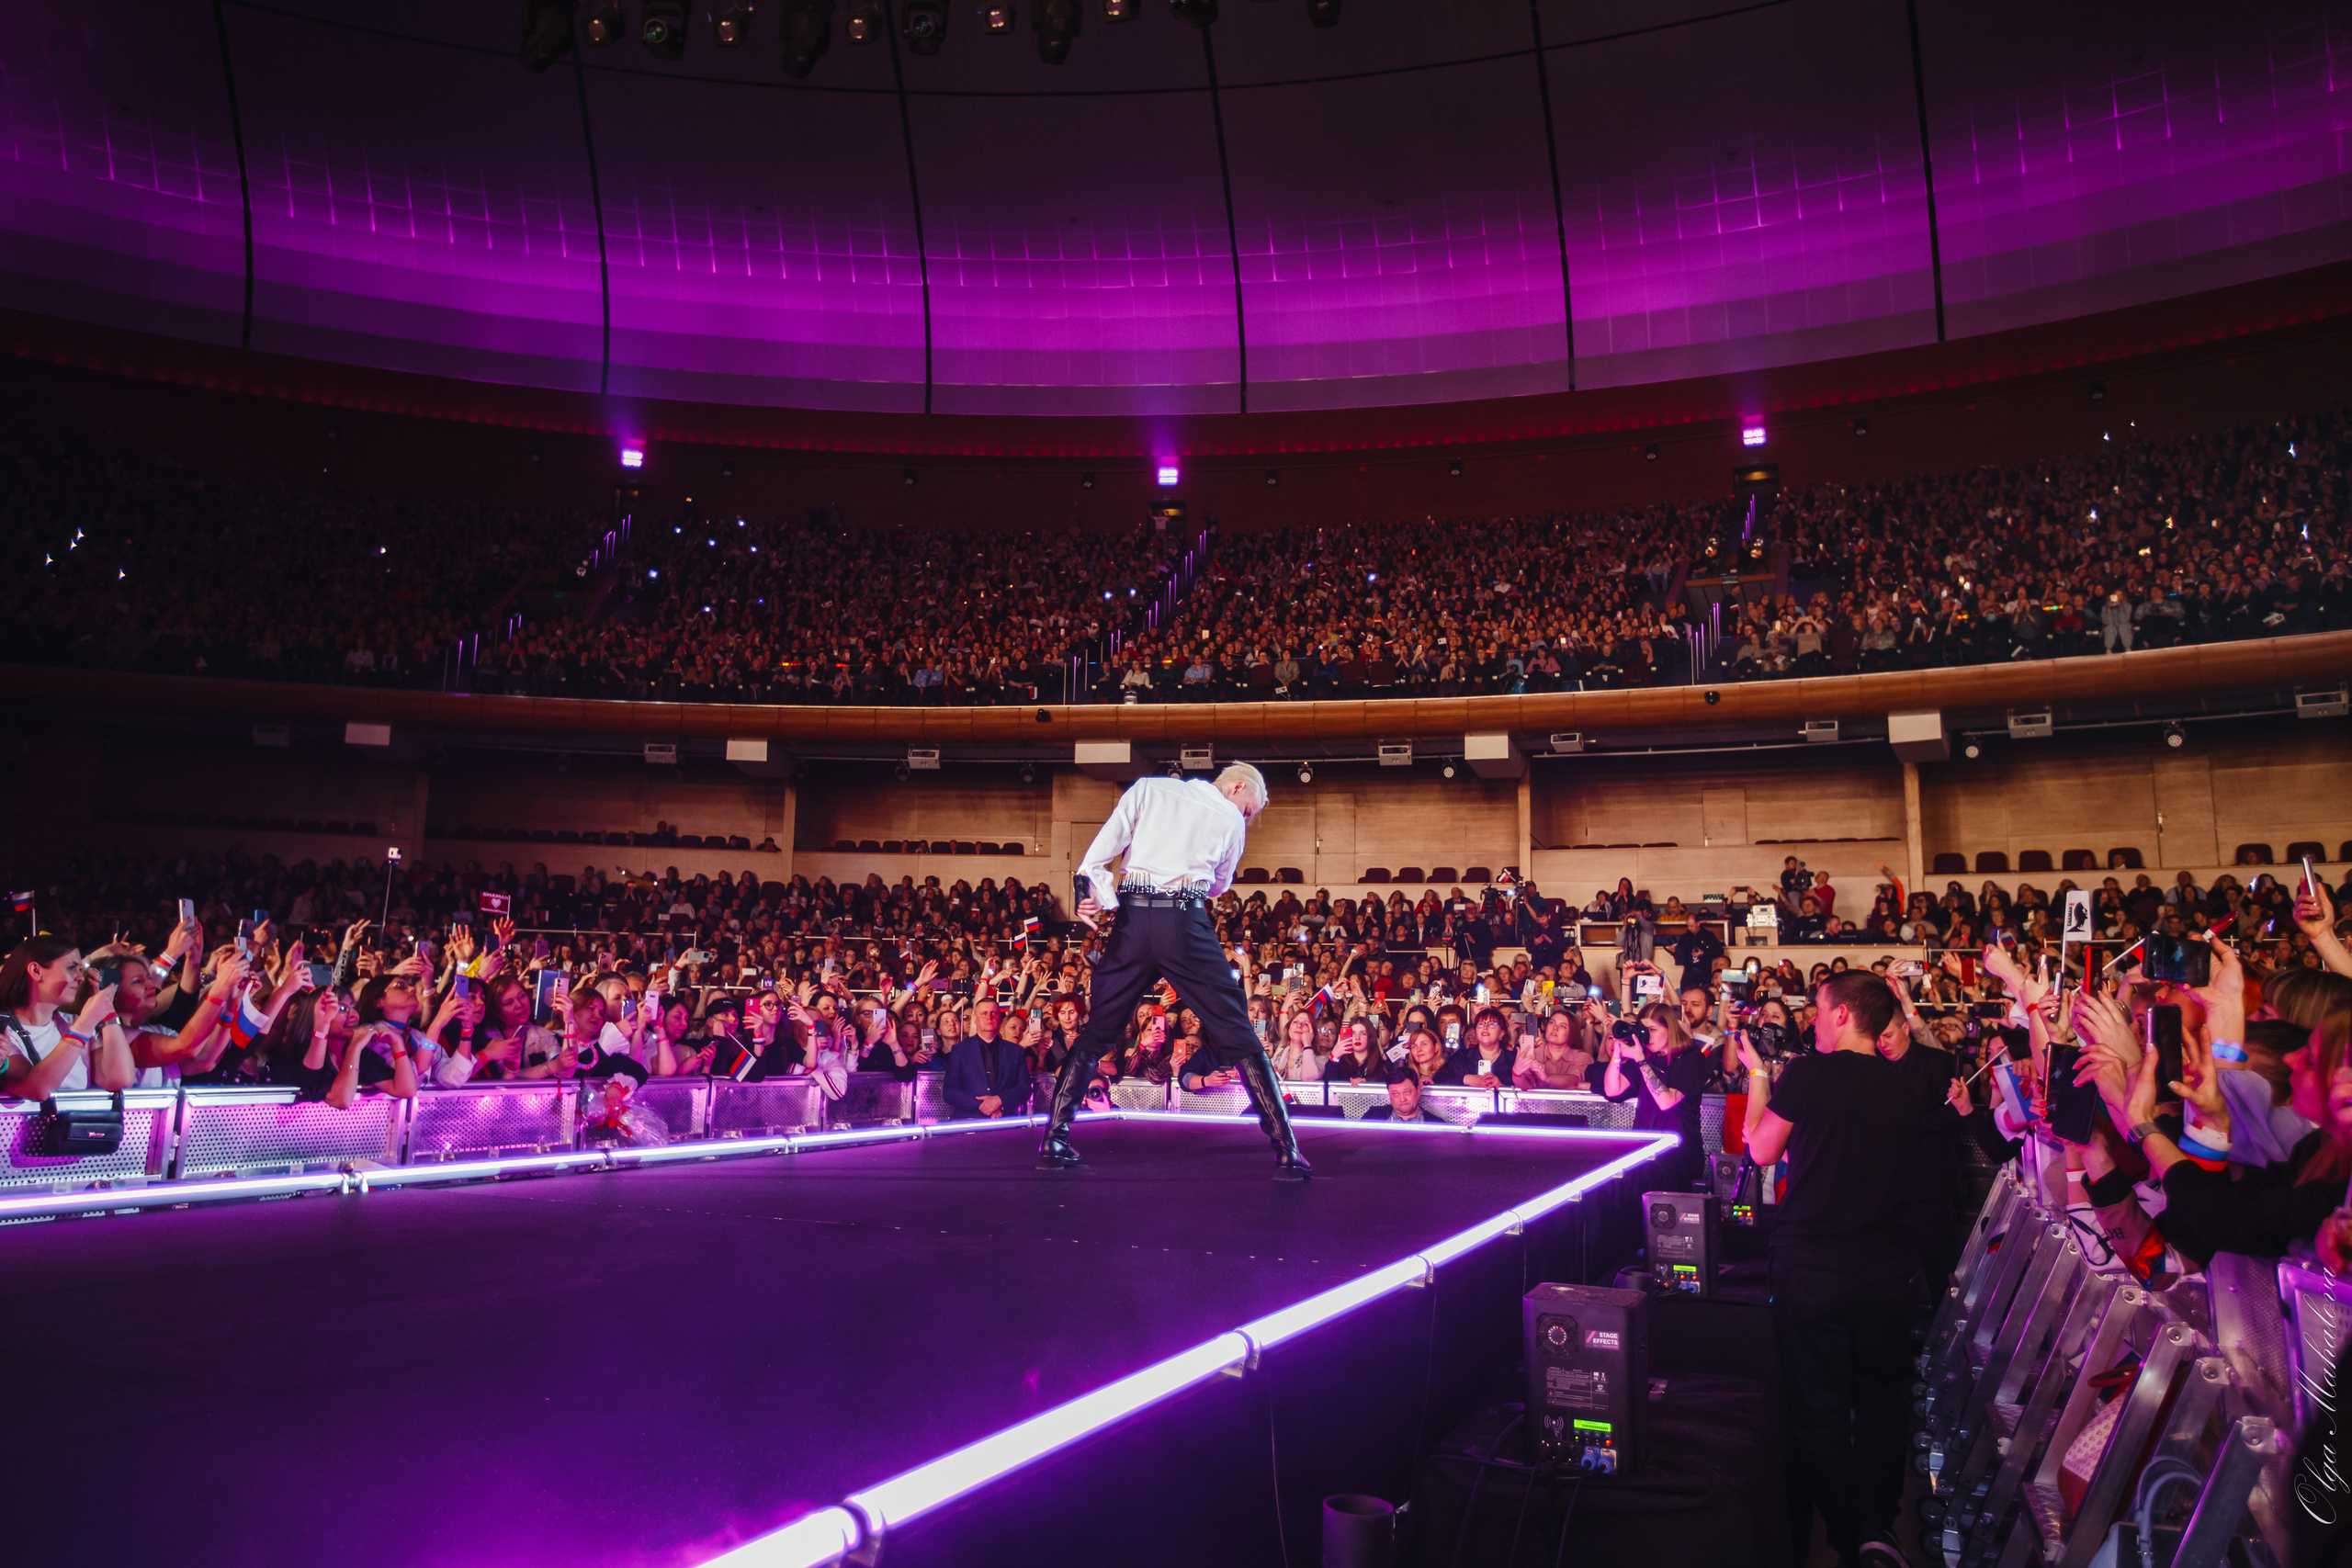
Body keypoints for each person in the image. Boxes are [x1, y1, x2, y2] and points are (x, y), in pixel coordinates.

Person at [1046, 763, 1308, 1176]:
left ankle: (1054, 1140)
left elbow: (1099, 852)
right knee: (1236, 1030)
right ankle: (1286, 1148)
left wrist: (1089, 892)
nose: (1246, 817)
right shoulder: (1228, 820)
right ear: (1237, 786)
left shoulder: (1148, 788)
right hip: (1184, 923)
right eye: (1248, 809)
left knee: (1098, 1031)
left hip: (1132, 922)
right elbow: (1219, 886)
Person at [1735, 970, 1916, 1568]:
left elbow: (1759, 1149)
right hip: (1886, 1270)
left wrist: (1758, 1073)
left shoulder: (1809, 1072)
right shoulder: (1904, 1082)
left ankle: (1841, 1533)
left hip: (1812, 1266)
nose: (1812, 1019)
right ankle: (1877, 1527)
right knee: (1884, 1396)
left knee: (1819, 1404)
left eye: (1818, 1008)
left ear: (1842, 1014)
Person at [1589, 998, 1709, 1192]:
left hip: (1679, 1157)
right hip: (1644, 1153)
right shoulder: (1646, 1057)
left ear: (1670, 1029)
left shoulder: (1690, 1059)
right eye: (1644, 1031)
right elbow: (1613, 1090)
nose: (1647, 1036)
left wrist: (1641, 1061)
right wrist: (1617, 1055)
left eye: (1653, 1030)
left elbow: (1667, 1101)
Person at [944, 1010, 1034, 1120]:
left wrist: (1000, 1101)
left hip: (1006, 1120)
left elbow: (1024, 1088)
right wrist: (986, 1105)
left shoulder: (1016, 1051)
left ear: (999, 1019)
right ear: (975, 1018)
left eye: (994, 1013)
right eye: (984, 1013)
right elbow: (950, 1091)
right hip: (968, 1120)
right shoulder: (960, 1049)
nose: (989, 1017)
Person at [1362, 1065, 1432, 1122]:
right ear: (1389, 1094)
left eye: (1407, 1092)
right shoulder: (1373, 1117)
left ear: (1418, 1090)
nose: (1402, 1099)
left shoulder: (1435, 1123)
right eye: (1396, 1094)